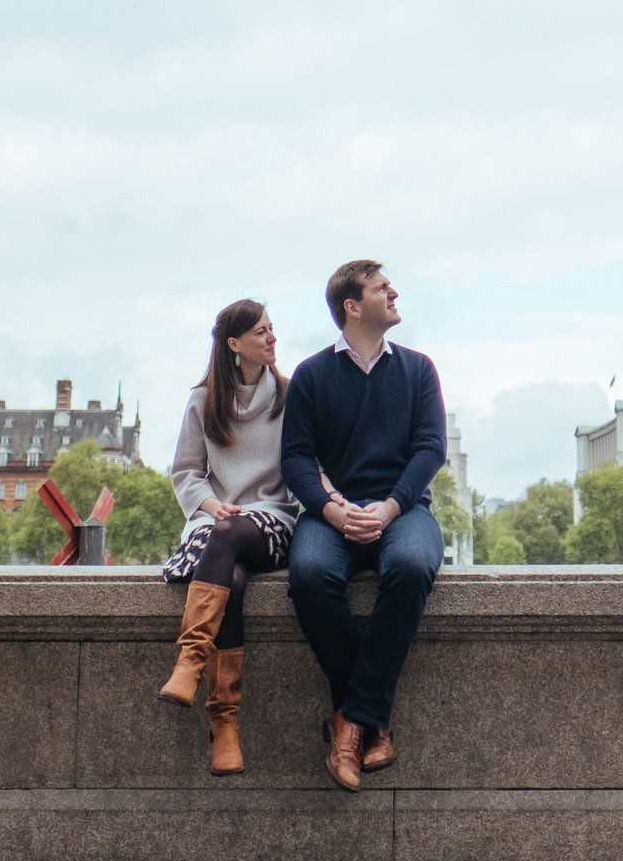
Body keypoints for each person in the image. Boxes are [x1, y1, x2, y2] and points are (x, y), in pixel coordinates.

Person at [280, 259, 447, 791]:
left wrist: (392, 507)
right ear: (353, 307)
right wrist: (332, 510)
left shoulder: (418, 369)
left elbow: (430, 449)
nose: (394, 292)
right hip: (331, 514)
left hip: (403, 511)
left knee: (411, 563)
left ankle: (349, 722)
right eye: (381, 288)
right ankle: (371, 721)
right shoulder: (311, 375)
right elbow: (297, 460)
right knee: (307, 577)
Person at [159, 297, 301, 775]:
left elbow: (303, 466)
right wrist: (215, 504)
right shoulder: (203, 400)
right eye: (262, 332)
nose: (272, 338)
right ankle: (224, 725)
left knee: (231, 536)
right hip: (215, 522)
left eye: (272, 329)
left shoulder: (290, 396)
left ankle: (190, 662)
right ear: (234, 344)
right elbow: (185, 472)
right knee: (232, 581)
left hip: (271, 521)